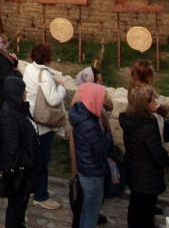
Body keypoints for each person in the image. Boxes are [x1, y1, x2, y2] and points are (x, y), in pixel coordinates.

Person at [120, 86, 169, 228]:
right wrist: (167, 161)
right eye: (153, 101)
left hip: (134, 169)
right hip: (147, 175)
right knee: (145, 212)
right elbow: (157, 152)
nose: (155, 103)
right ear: (145, 104)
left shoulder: (129, 120)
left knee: (135, 205)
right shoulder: (147, 127)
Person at [23, 43, 66, 210]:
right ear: (47, 58)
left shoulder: (29, 69)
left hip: (32, 117)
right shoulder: (45, 75)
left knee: (36, 157)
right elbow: (54, 99)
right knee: (43, 159)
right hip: (44, 123)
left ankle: (36, 187)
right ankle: (41, 195)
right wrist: (61, 88)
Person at [0, 75, 41, 228]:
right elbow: (12, 147)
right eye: (23, 90)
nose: (26, 93)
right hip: (17, 171)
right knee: (15, 205)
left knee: (21, 202)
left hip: (24, 168)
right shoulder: (9, 114)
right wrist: (28, 160)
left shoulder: (19, 108)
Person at [70, 81, 114, 228]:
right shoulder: (89, 123)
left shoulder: (82, 116)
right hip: (93, 173)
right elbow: (104, 149)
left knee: (87, 212)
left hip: (86, 169)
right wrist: (107, 135)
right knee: (91, 215)